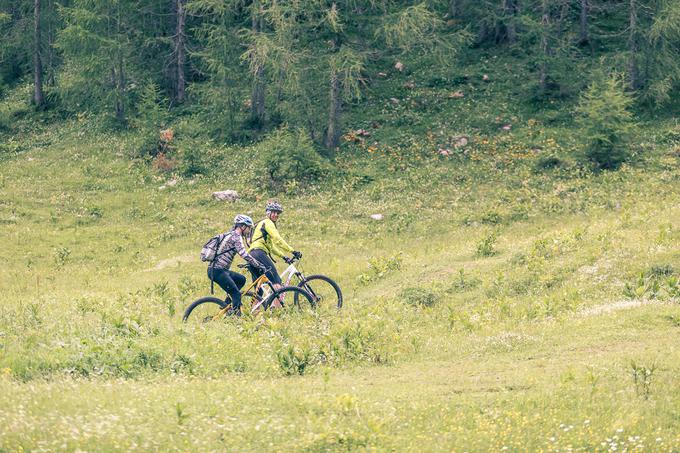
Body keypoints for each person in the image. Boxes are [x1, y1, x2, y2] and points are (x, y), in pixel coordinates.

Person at [208, 214, 266, 316]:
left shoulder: (231, 234)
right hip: (218, 271)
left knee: (241, 279)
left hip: (218, 270)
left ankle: (227, 304)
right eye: (248, 228)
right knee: (236, 294)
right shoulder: (236, 236)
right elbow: (243, 254)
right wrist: (258, 265)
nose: (249, 231)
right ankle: (234, 318)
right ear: (243, 226)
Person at [248, 200, 302, 290]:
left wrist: (283, 256)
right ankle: (275, 305)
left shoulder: (262, 224)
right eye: (274, 212)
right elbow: (278, 240)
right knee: (276, 281)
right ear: (268, 213)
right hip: (259, 254)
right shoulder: (268, 222)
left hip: (251, 255)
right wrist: (293, 251)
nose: (276, 215)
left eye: (278, 213)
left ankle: (254, 304)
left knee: (259, 290)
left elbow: (271, 247)